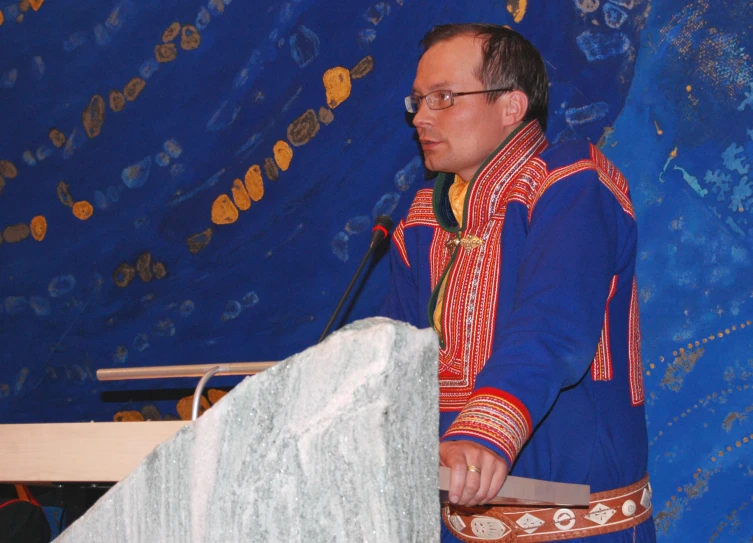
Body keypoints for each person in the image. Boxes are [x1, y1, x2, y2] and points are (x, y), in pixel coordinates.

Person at [382, 23, 656, 542]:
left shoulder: (572, 181)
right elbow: (396, 361)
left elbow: (552, 328)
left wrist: (486, 431)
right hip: (446, 527)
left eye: (442, 98)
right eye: (417, 101)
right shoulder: (418, 221)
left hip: (574, 526)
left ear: (511, 106)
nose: (419, 117)